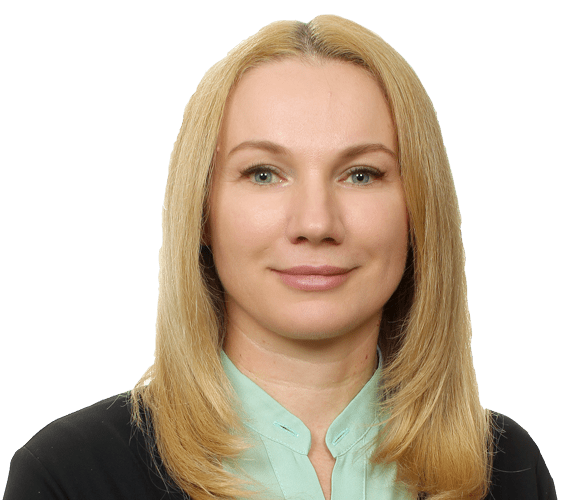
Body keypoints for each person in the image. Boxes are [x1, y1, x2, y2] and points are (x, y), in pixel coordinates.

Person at [3, 14, 556, 500]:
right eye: (264, 174)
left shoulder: (507, 469)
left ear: (418, 212)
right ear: (203, 211)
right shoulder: (69, 474)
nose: (315, 224)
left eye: (362, 174)